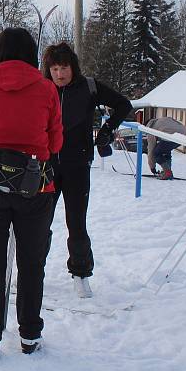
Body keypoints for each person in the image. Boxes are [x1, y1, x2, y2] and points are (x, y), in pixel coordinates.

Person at [0, 27, 63, 358]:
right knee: (32, 262)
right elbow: (56, 143)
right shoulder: (47, 89)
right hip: (35, 186)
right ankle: (30, 335)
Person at [41, 42, 132, 299]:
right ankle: (34, 270)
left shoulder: (88, 87)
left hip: (77, 165)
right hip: (46, 165)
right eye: (55, 68)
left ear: (73, 67)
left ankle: (81, 274)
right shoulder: (41, 89)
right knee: (39, 222)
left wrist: (106, 130)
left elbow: (124, 104)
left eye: (64, 67)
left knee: (76, 223)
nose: (60, 74)